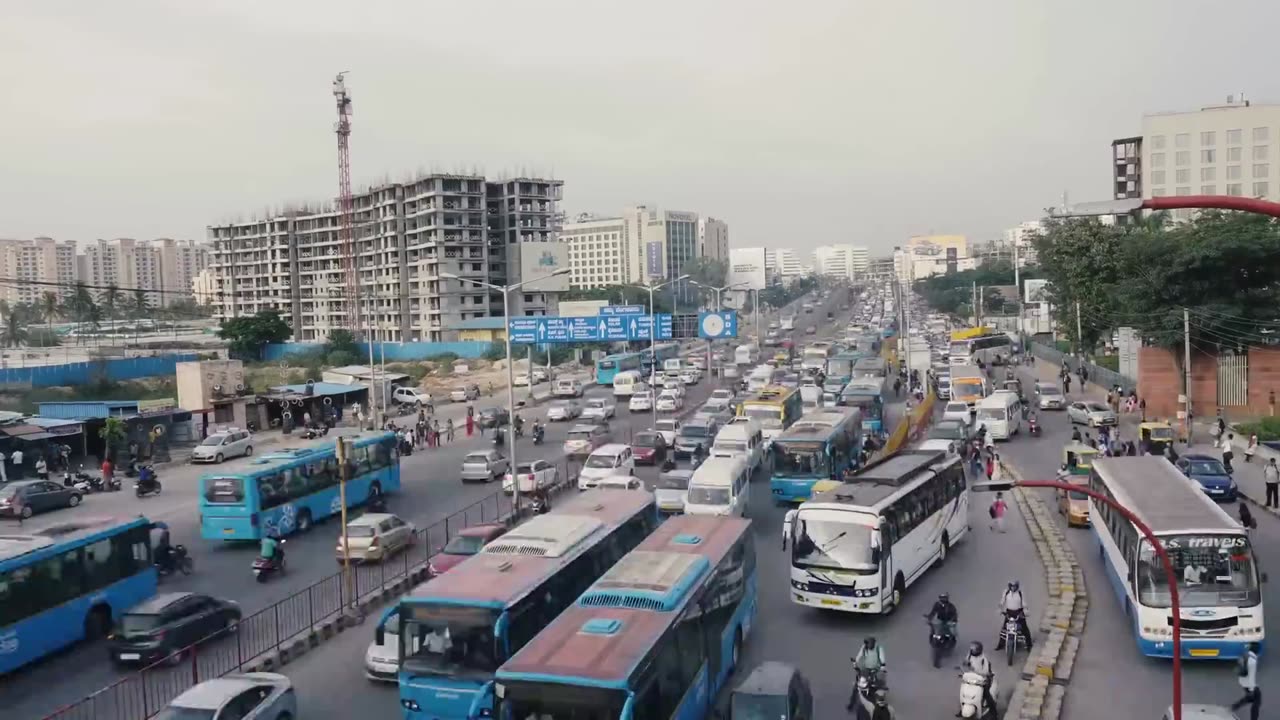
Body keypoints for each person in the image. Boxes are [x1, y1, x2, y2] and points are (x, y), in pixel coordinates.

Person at [848, 637, 887, 711]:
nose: (868, 645)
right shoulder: (864, 647)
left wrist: (882, 666)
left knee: (878, 685)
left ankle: (880, 703)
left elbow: (882, 657)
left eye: (869, 643)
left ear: (873, 643)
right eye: (866, 644)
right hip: (866, 668)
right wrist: (855, 661)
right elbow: (859, 655)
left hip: (876, 669)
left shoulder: (879, 648)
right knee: (857, 685)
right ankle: (852, 703)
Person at [961, 641, 996, 717]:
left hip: (983, 680)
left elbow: (986, 672)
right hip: (972, 678)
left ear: (978, 650)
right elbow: (964, 663)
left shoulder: (983, 659)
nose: (972, 651)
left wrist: (975, 670)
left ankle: (994, 713)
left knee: (987, 695)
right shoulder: (970, 655)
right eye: (971, 649)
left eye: (973, 649)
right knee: (965, 692)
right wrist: (965, 663)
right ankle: (962, 709)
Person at [996, 581, 1032, 650]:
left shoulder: (1020, 593)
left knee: (1025, 629)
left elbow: (1024, 603)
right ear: (1009, 586)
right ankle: (1000, 645)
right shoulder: (1006, 592)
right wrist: (1000, 609)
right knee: (1004, 629)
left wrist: (1026, 611)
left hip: (1019, 612)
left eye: (1015, 586)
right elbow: (1002, 601)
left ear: (1017, 586)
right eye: (1012, 586)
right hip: (1009, 612)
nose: (1013, 588)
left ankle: (1029, 645)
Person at [1230, 642, 1261, 720]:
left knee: (1250, 698)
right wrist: (1252, 689)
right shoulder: (1253, 661)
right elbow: (1251, 676)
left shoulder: (1245, 655)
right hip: (1248, 684)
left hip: (1242, 681)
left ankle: (1234, 706)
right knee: (1257, 701)